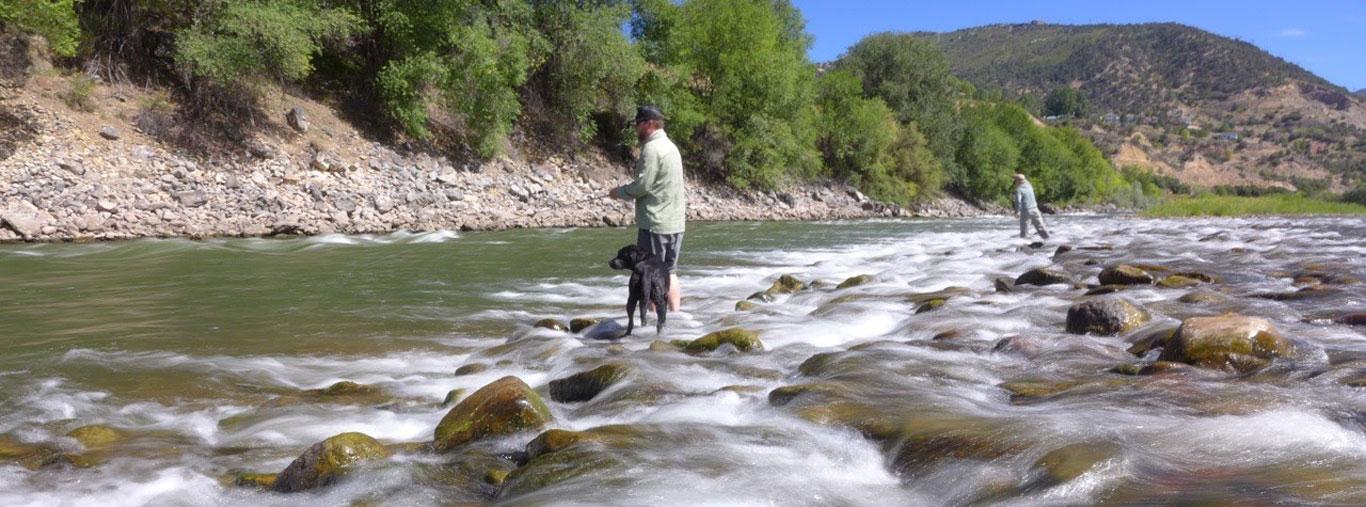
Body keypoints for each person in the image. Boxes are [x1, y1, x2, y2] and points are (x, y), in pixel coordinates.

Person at [609, 106, 685, 311]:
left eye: (638, 123)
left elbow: (643, 186)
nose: (636, 128)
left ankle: (651, 329)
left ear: (650, 124)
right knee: (670, 272)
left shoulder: (652, 149)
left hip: (655, 223)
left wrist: (620, 192)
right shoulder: (671, 146)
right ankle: (676, 319)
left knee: (650, 275)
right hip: (676, 223)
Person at [1013, 173, 1050, 239]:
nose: (1014, 182)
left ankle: (1023, 246)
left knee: (1024, 231)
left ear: (1017, 181)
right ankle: (1049, 240)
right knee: (1041, 228)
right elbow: (1024, 180)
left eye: (1015, 181)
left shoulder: (1019, 190)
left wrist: (1017, 211)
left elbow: (1018, 201)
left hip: (1026, 211)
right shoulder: (1029, 186)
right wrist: (1018, 177)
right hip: (1035, 209)